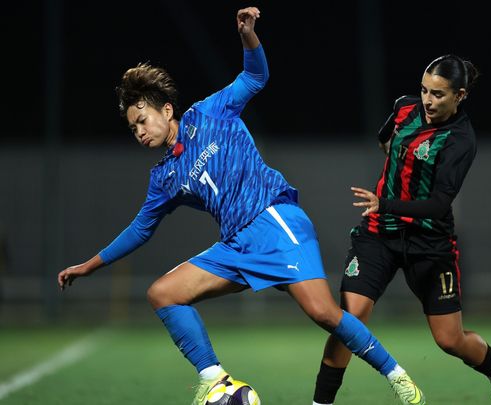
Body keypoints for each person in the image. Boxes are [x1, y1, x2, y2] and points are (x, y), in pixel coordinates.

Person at [56, 7, 426, 405]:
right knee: (163, 293)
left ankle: (399, 378)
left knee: (323, 313)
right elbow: (140, 229)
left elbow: (254, 77)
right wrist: (89, 265)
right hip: (236, 244)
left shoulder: (208, 112)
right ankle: (216, 380)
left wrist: (248, 35)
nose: (140, 132)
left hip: (274, 220)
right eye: (133, 128)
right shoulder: (164, 177)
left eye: (143, 120)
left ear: (166, 110)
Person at [311, 55, 491, 405]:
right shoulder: (404, 107)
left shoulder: (461, 140)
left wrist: (386, 202)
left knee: (449, 339)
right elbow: (384, 139)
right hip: (379, 233)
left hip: (429, 241)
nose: (427, 100)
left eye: (438, 94)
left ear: (460, 96)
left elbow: (439, 204)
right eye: (424, 90)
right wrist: (394, 181)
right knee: (351, 319)